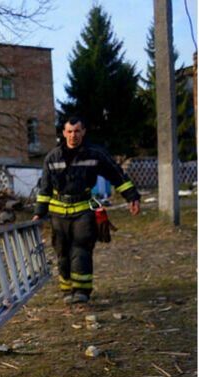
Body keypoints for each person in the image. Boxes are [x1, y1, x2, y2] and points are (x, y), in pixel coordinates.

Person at [35, 114, 141, 304]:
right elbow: (45, 188)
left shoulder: (95, 154)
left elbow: (116, 175)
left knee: (81, 249)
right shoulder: (52, 157)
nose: (73, 135)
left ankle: (81, 292)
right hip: (58, 214)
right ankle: (67, 290)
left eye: (77, 131)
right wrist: (39, 213)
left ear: (83, 132)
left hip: (83, 211)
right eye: (69, 131)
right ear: (63, 133)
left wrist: (132, 197)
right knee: (62, 253)